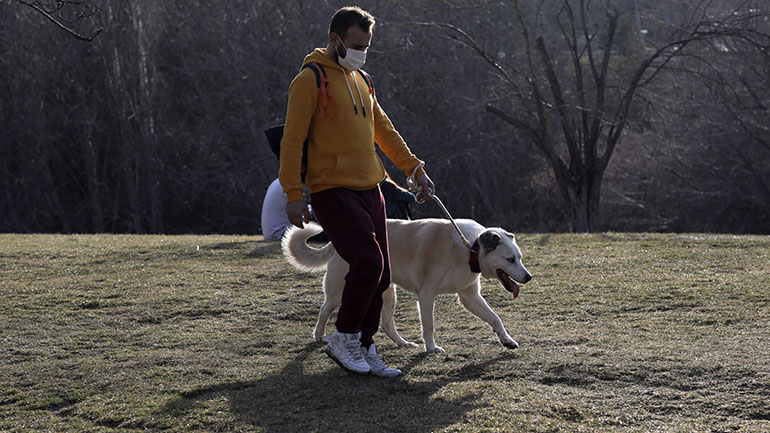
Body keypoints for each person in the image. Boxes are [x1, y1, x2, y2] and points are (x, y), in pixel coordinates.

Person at [278, 6, 434, 377]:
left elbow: (385, 131)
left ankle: (364, 344)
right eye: (355, 45)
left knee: (382, 273)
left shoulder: (362, 79)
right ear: (335, 40)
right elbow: (292, 140)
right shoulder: (309, 80)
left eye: (366, 45)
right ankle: (343, 337)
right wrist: (292, 193)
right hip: (331, 189)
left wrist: (414, 167)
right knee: (367, 261)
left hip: (371, 186)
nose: (361, 51)